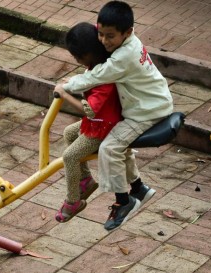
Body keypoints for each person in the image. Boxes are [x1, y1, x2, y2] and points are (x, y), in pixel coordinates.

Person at [62, 0, 173, 230]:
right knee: (116, 142)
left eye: (110, 36)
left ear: (128, 32)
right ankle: (138, 187)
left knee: (110, 147)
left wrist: (66, 86)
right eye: (100, 34)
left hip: (146, 112)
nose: (104, 41)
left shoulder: (124, 57)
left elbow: (97, 76)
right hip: (150, 102)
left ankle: (123, 201)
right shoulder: (128, 43)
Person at [54, 22, 122, 223]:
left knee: (70, 156)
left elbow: (89, 110)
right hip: (99, 122)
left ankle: (73, 200)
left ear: (88, 54)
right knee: (69, 132)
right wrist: (73, 83)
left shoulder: (105, 79)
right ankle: (85, 181)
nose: (77, 61)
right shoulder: (97, 66)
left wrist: (65, 95)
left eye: (78, 57)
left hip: (104, 128)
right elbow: (87, 81)